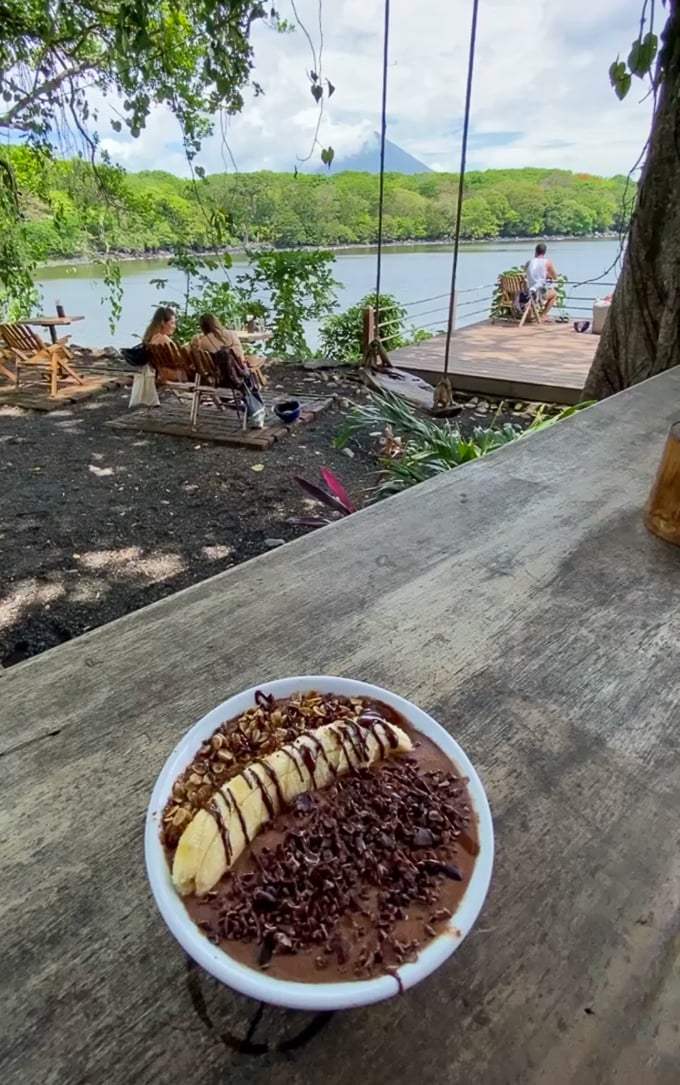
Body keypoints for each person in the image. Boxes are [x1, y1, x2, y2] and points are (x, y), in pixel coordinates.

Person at [524, 243, 558, 322]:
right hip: (538, 293)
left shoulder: (528, 262)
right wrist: (548, 276)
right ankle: (543, 315)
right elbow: (555, 277)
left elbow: (527, 274)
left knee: (535, 293)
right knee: (554, 294)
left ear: (535, 251)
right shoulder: (547, 262)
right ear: (544, 252)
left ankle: (531, 313)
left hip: (527, 292)